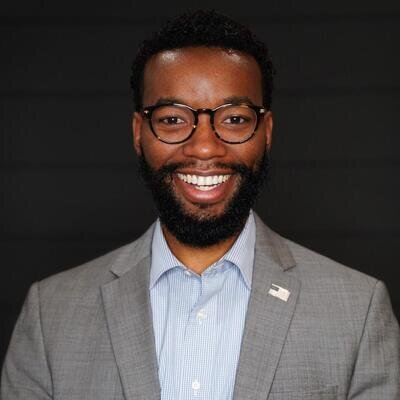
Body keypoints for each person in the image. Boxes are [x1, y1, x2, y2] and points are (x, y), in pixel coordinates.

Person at [1, 10, 399, 400]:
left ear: (267, 133)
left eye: (235, 119)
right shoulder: (50, 314)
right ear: (139, 133)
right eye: (173, 119)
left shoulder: (358, 311)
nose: (205, 147)